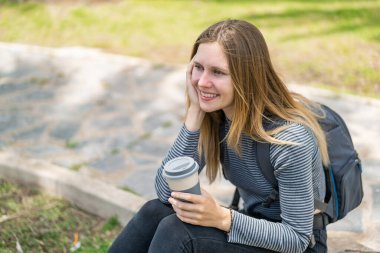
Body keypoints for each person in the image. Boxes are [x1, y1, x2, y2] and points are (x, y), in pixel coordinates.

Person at [107, 19, 329, 253]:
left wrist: (223, 218)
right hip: (254, 228)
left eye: (218, 72)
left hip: (296, 246)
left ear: (247, 77)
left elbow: (296, 238)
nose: (202, 82)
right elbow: (165, 192)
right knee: (155, 211)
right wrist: (194, 113)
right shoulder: (218, 118)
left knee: (179, 232)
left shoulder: (289, 140)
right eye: (198, 68)